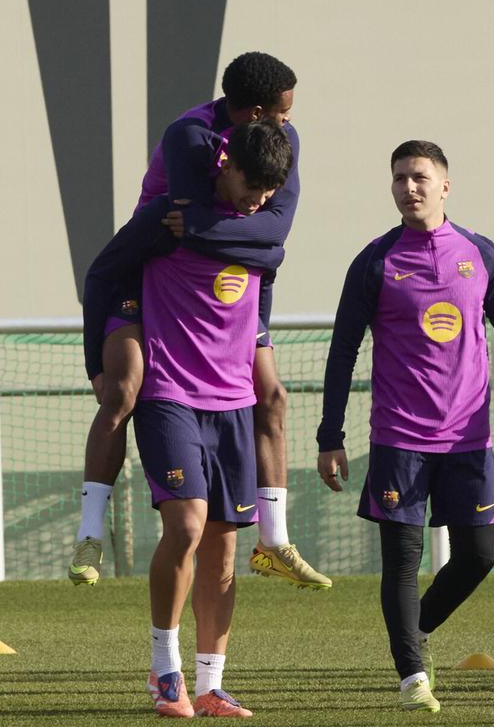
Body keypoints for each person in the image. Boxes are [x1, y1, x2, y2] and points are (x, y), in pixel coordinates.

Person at [71, 51, 330, 591]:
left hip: (231, 284)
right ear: (253, 113)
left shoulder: (281, 144)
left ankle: (275, 539)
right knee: (122, 392)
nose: (289, 123)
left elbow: (268, 234)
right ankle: (90, 532)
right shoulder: (190, 136)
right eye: (280, 113)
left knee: (272, 394)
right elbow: (185, 223)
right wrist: (94, 360)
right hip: (152, 278)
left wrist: (260, 253)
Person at [317, 141, 494, 713]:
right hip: (399, 438)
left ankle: (411, 636)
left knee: (479, 556)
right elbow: (343, 350)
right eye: (399, 179)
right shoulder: (375, 260)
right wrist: (331, 435)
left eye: (420, 177)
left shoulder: (479, 252)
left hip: (469, 437)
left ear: (445, 186)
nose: (409, 187)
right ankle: (413, 675)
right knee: (402, 560)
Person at [131, 120, 293, 717]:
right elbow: (111, 269)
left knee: (225, 552)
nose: (256, 201)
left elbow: (261, 305)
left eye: (267, 194)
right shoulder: (169, 221)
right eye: (249, 186)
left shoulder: (262, 240)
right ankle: (164, 670)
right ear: (223, 165)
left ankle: (210, 683)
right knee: (187, 526)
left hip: (235, 405)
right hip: (170, 393)